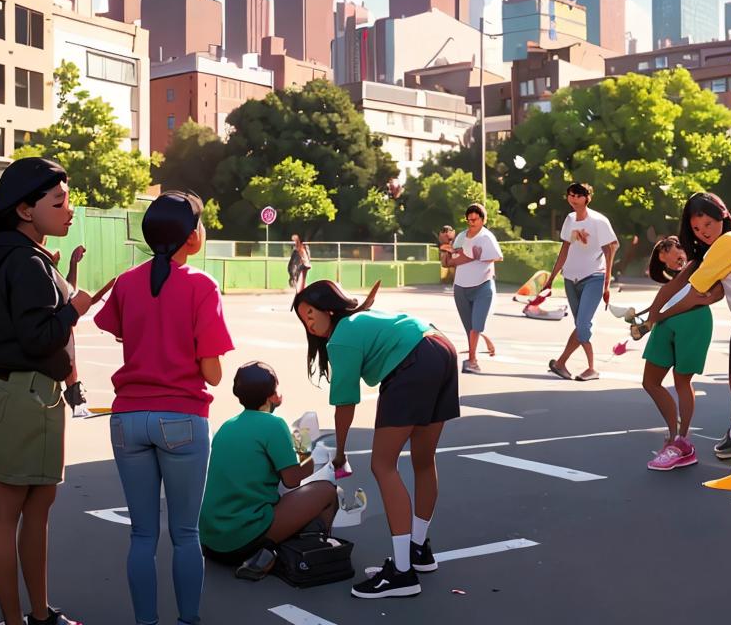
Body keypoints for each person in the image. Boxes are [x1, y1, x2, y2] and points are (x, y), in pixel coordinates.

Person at [93, 191, 235, 625]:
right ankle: (188, 620)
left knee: (141, 533)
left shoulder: (127, 281)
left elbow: (119, 332)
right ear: (192, 238)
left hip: (127, 418)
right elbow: (212, 374)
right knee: (186, 534)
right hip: (182, 418)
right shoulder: (201, 284)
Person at [0, 158, 108, 625]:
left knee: (12, 511)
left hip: (10, 393)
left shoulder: (5, 251)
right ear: (24, 209)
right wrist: (76, 307)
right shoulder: (25, 260)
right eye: (58, 201)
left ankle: (29, 615)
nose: (69, 209)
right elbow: (40, 337)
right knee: (22, 514)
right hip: (30, 396)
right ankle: (30, 618)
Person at [292, 280, 459, 599]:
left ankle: (402, 573)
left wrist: (340, 454)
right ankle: (418, 551)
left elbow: (345, 405)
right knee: (424, 461)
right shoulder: (358, 320)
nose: (308, 323)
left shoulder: (340, 338)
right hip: (440, 348)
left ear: (329, 309)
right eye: (303, 319)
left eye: (310, 315)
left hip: (412, 362)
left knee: (383, 466)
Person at [647, 193, 731, 460]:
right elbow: (694, 284)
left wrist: (662, 315)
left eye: (708, 224)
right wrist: (655, 311)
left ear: (722, 215)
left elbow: (693, 293)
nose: (703, 232)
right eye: (697, 228)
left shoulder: (730, 242)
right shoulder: (720, 245)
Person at [200, 362, 339, 580]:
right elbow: (293, 480)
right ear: (273, 394)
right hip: (242, 538)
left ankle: (269, 549)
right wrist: (307, 450)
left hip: (211, 540)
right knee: (328, 491)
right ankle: (289, 551)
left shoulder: (227, 426)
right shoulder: (274, 424)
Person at [636, 236, 723, 470]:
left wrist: (652, 319)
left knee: (682, 381)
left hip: (693, 321)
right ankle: (674, 435)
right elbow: (669, 293)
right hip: (667, 322)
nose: (677, 253)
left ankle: (682, 442)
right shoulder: (674, 280)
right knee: (650, 381)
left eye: (678, 247)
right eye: (667, 251)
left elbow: (715, 291)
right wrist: (647, 321)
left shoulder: (702, 260)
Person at [545, 183, 619, 382]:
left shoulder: (598, 221)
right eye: (570, 195)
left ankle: (591, 368)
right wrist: (551, 278)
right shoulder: (569, 220)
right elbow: (565, 249)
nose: (573, 199)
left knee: (583, 325)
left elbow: (611, 249)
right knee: (580, 325)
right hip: (570, 278)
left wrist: (607, 283)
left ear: (587, 198)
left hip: (593, 277)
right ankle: (561, 364)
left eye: (577, 195)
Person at [441, 204, 503, 374]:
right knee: (470, 327)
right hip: (461, 288)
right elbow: (450, 260)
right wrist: (448, 251)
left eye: (475, 219)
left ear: (483, 219)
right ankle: (480, 348)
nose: (472, 222)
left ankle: (472, 360)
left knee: (476, 325)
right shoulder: (461, 236)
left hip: (483, 286)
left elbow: (498, 256)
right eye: (469, 220)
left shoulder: (486, 237)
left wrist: (476, 256)